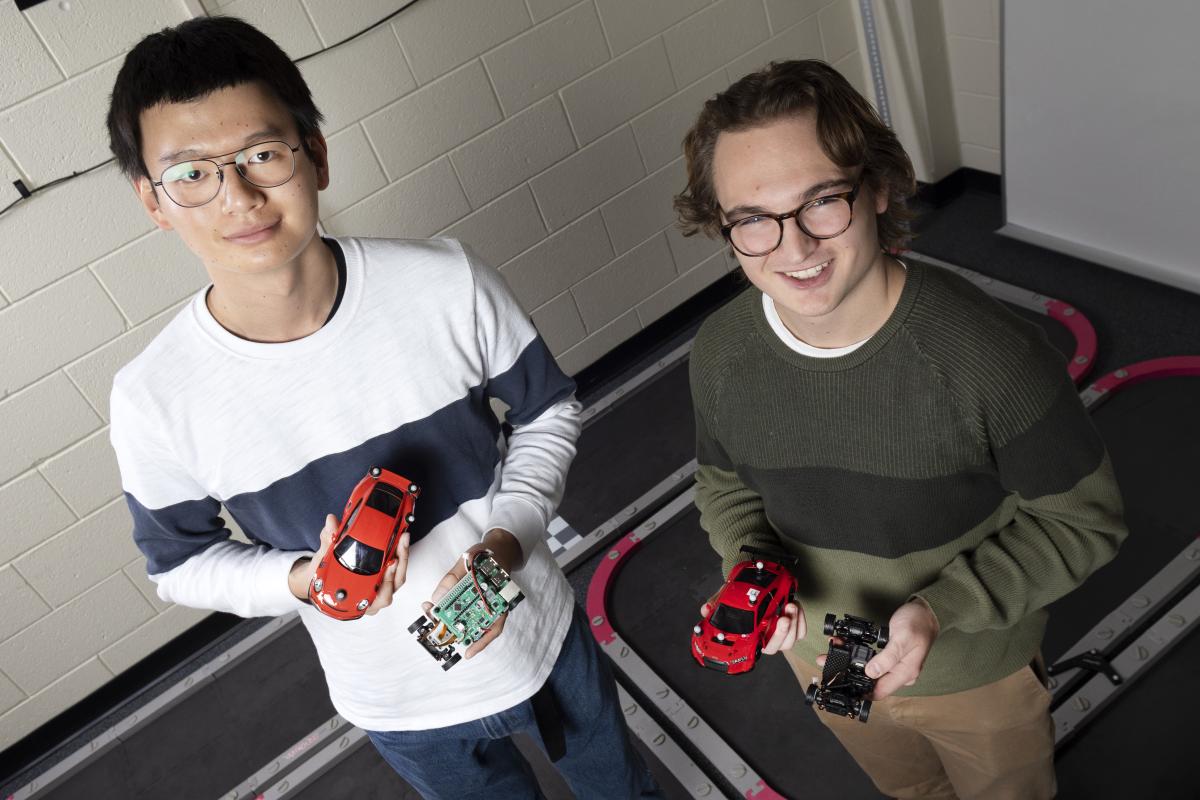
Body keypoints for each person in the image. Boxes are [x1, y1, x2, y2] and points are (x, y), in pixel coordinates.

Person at [105, 17, 659, 800]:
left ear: (316, 155)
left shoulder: (445, 282)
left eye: (263, 155)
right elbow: (182, 564)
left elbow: (549, 411)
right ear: (154, 202)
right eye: (191, 174)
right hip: (397, 703)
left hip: (540, 638)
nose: (237, 196)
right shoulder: (154, 398)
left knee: (622, 791)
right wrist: (304, 580)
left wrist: (506, 542)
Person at [675, 60, 1127, 799]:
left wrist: (939, 611)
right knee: (908, 792)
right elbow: (722, 486)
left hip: (973, 674)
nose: (793, 249)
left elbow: (1085, 523)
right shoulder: (721, 353)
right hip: (821, 661)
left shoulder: (992, 358)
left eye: (822, 201)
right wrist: (751, 566)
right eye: (753, 219)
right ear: (724, 228)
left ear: (878, 187)